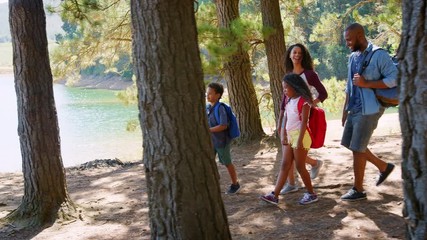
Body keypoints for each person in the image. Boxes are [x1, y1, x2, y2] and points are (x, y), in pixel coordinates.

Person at [340, 23, 397, 201]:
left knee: (358, 149)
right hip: (354, 108)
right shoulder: (352, 57)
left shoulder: (379, 55)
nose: (347, 43)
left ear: (359, 35)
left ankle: (358, 189)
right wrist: (344, 109)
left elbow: (394, 79)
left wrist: (367, 84)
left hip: (370, 109)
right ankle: (383, 167)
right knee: (350, 144)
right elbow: (349, 85)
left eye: (349, 39)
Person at [277, 43, 328, 195]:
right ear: (290, 55)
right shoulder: (288, 73)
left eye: (300, 53)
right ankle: (292, 183)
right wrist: (280, 121)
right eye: (294, 52)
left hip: (303, 118)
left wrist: (310, 104)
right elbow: (284, 100)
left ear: (303, 55)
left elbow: (323, 93)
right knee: (288, 151)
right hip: (288, 116)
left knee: (295, 152)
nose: (297, 55)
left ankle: (302, 178)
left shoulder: (310, 74)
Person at [260, 73, 318, 205]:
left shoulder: (304, 102)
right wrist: (284, 134)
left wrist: (298, 141)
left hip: (301, 136)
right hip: (290, 134)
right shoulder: (288, 100)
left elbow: (304, 122)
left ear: (295, 87)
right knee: (285, 164)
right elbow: (286, 117)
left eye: (286, 88)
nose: (284, 90)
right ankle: (274, 195)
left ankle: (311, 193)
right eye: (283, 88)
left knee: (299, 166)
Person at [206, 82, 241, 194]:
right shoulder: (207, 108)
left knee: (227, 162)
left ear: (218, 95)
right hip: (211, 141)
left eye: (210, 93)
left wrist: (208, 130)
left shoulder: (220, 108)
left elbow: (223, 125)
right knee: (209, 162)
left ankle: (235, 184)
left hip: (221, 141)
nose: (207, 96)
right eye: (207, 93)